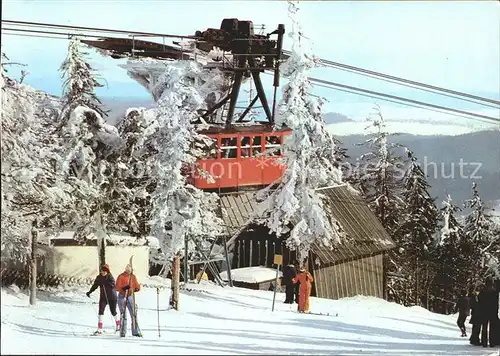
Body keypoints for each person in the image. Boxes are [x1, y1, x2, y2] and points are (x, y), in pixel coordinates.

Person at [86, 264, 120, 335]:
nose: (103, 272)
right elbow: (95, 285)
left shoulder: (110, 277)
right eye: (102, 271)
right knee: (100, 311)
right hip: (103, 297)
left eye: (105, 271)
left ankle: (118, 325)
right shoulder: (99, 277)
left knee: (113, 312)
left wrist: (106, 283)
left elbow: (113, 285)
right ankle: (100, 329)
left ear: (107, 272)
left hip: (112, 297)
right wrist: (90, 292)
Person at [115, 264, 142, 337]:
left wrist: (137, 288)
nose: (129, 271)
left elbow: (136, 286)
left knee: (133, 313)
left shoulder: (133, 277)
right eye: (128, 270)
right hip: (122, 296)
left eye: (130, 270)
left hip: (130, 296)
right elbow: (117, 287)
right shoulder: (121, 276)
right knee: (123, 314)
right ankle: (122, 331)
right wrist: (125, 289)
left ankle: (135, 331)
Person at [479, 277, 498, 347]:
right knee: (492, 328)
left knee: (484, 327)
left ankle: (484, 342)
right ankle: (492, 342)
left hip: (484, 311)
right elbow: (496, 302)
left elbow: (479, 300)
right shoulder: (495, 291)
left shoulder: (483, 290)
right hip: (492, 311)